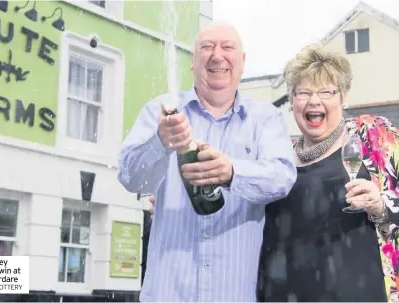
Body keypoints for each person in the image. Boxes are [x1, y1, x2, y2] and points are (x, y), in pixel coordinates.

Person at [117, 22, 297, 302]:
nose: (217, 55)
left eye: (228, 47)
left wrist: (232, 172)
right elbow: (130, 177)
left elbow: (282, 177)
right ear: (192, 61)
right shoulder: (162, 111)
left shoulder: (265, 119)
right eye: (207, 47)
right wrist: (159, 142)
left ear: (243, 61)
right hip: (168, 293)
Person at [257, 44, 399, 302]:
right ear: (291, 101)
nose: (315, 101)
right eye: (303, 92)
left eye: (326, 91)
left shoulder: (373, 136)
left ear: (344, 96)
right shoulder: (278, 160)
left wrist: (382, 206)